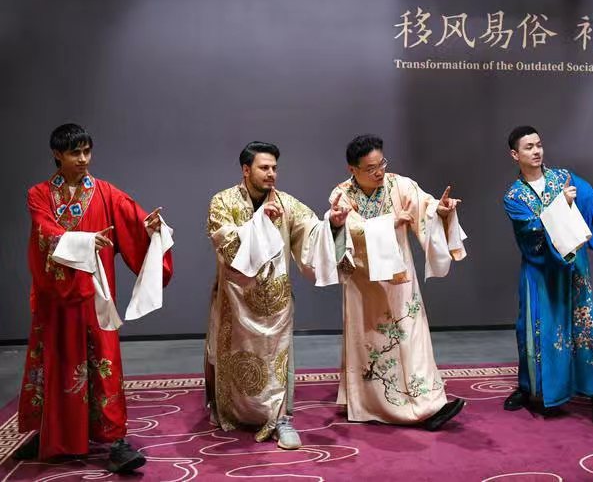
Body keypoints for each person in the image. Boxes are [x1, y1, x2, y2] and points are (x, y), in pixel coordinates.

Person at [15, 123, 173, 472]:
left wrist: (150, 229)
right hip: (56, 299)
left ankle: (116, 442)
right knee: (55, 361)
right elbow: (45, 231)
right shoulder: (39, 194)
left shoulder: (105, 193)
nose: (84, 159)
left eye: (87, 151)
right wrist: (86, 242)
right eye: (75, 153)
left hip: (96, 295)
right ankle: (49, 432)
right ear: (57, 154)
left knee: (104, 363)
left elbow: (133, 221)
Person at [205, 141, 349, 449]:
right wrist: (259, 223)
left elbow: (312, 233)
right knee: (237, 358)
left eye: (274, 168)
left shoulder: (287, 204)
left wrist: (332, 225)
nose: (271, 173)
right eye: (264, 167)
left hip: (276, 302)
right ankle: (233, 411)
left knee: (276, 360)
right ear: (246, 170)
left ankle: (280, 418)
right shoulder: (222, 202)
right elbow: (225, 244)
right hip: (235, 299)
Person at [328, 134, 466, 430]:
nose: (379, 172)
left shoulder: (400, 185)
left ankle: (429, 404)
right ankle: (375, 404)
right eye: (370, 168)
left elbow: (426, 208)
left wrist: (441, 212)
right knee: (372, 345)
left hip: (400, 282)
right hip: (364, 285)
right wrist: (388, 223)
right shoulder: (342, 194)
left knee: (413, 339)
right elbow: (348, 228)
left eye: (382, 164)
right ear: (352, 169)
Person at [502, 125, 593, 426]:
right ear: (515, 155)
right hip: (540, 272)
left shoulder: (564, 177)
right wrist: (562, 206)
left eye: (538, 144)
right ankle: (531, 388)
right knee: (538, 331)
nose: (536, 151)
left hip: (574, 268)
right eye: (528, 147)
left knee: (583, 330)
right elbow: (531, 230)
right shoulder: (513, 195)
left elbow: (591, 206)